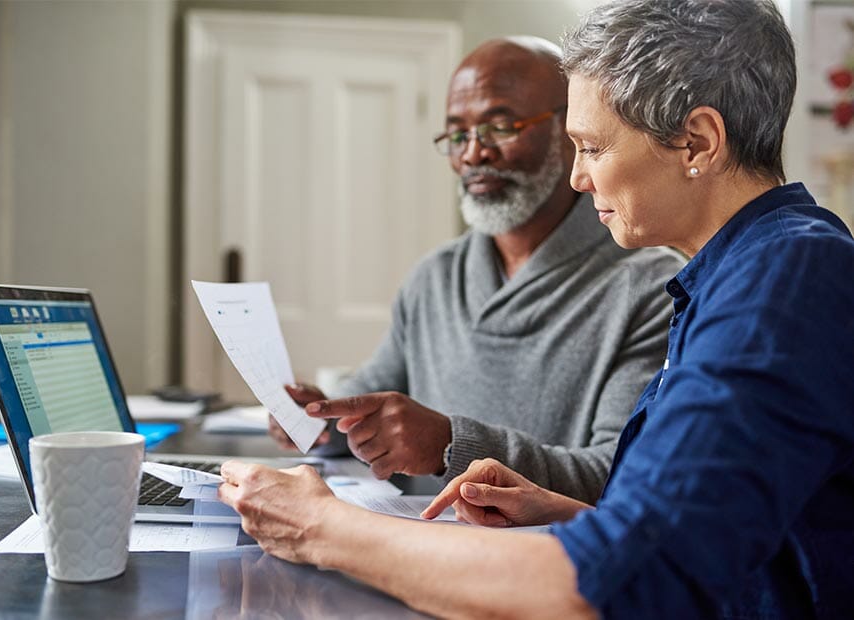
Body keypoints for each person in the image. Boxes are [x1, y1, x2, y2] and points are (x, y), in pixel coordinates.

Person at [218, 0, 854, 617]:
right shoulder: (734, 276)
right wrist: (560, 511)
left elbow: (613, 584)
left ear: (696, 142)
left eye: (593, 148)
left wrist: (324, 528)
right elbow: (703, 544)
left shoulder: (785, 279)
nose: (578, 178)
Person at [271, 36, 684, 503]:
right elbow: (368, 401)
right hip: (408, 544)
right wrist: (320, 417)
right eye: (457, 134)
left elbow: (618, 471)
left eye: (500, 126)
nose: (472, 154)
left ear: (570, 131)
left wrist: (452, 446)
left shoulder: (652, 288)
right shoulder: (435, 277)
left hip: (536, 564)